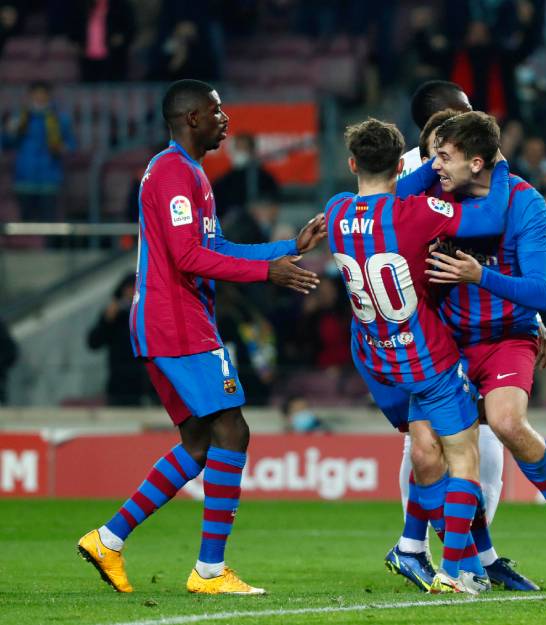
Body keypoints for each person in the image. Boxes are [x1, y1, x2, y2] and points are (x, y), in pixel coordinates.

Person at [77, 79, 326, 596]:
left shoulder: (189, 172)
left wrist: (287, 247)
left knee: (197, 444)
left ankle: (108, 539)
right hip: (177, 322)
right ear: (192, 118)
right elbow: (188, 257)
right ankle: (210, 570)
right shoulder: (173, 172)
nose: (225, 119)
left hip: (173, 320)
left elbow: (215, 246)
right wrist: (267, 273)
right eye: (216, 110)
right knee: (232, 431)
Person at [407, 112, 546, 578]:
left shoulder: (526, 203)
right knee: (424, 451)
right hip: (448, 339)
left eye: (444, 157)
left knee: (506, 422)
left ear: (476, 163)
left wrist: (479, 275)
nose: (435, 166)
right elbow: (397, 196)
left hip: (506, 337)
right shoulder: (437, 197)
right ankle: (468, 564)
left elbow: (541, 292)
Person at [326, 115, 511, 595]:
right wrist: (500, 166)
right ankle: (456, 569)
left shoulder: (336, 210)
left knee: (426, 453)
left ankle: (411, 547)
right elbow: (490, 219)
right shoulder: (415, 213)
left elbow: (383, 193)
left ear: (351, 164)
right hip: (427, 358)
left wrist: (419, 167)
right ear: (400, 164)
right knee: (463, 456)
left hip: (377, 358)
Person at [387, 82, 546, 592]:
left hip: (460, 326)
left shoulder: (463, 168)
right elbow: (486, 220)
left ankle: (471, 556)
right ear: (438, 122)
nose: (475, 119)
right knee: (427, 446)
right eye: (464, 112)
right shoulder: (420, 173)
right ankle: (422, 549)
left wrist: (532, 317)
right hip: (420, 327)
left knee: (478, 445)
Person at [4, 81, 75, 222]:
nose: (40, 98)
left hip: (49, 180)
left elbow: (71, 144)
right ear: (30, 96)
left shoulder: (60, 119)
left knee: (48, 222)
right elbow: (6, 143)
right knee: (26, 223)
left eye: (43, 95)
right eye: (36, 95)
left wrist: (63, 148)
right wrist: (9, 132)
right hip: (25, 179)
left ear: (49, 96)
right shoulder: (21, 118)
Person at [86, 273, 150, 406]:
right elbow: (94, 343)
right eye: (129, 288)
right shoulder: (113, 314)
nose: (132, 292)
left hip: (144, 381)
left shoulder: (146, 313)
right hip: (118, 381)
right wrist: (107, 320)